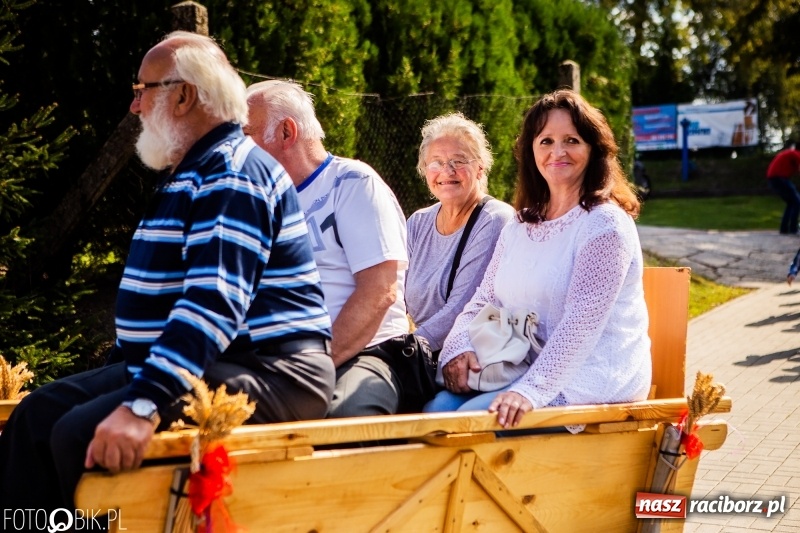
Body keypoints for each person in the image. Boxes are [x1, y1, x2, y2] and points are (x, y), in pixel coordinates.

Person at [0, 31, 336, 512]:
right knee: (35, 418)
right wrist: (123, 373)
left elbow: (214, 300)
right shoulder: (196, 170)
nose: (135, 107)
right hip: (216, 365)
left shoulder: (232, 173)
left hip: (270, 371)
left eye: (142, 90)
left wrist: (141, 404)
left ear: (183, 95)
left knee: (79, 434)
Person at [424, 89, 652, 431]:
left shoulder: (605, 225)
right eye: (545, 141)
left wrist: (530, 391)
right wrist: (458, 348)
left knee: (471, 425)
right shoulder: (520, 223)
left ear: (593, 149)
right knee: (433, 412)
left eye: (571, 140)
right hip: (519, 363)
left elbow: (580, 326)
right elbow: (484, 299)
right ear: (531, 151)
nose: (557, 152)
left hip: (588, 376)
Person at [245, 80, 411, 417]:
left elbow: (380, 291)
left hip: (366, 353)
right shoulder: (260, 202)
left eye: (245, 136)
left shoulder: (352, 183)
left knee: (343, 423)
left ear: (286, 133)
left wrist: (312, 365)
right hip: (281, 358)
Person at [406, 112, 514, 354]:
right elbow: (394, 296)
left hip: (472, 355)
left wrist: (404, 349)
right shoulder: (418, 222)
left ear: (480, 168)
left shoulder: (494, 219)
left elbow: (462, 308)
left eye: (459, 161)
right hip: (423, 351)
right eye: (436, 162)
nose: (447, 171)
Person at [766, 140, 800, 235]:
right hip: (778, 178)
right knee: (797, 201)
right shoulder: (794, 153)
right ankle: (793, 229)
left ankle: (784, 229)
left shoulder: (790, 154)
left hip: (773, 178)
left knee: (791, 202)